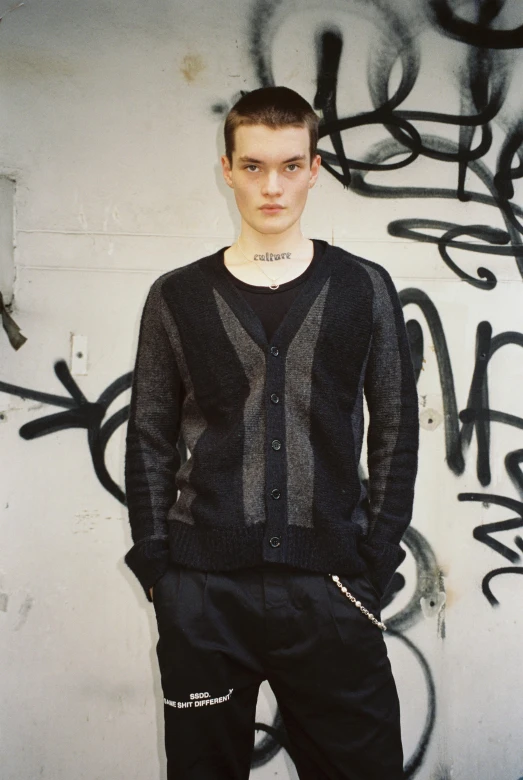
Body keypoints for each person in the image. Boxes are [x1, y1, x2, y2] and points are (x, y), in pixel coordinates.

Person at [124, 85, 419, 780]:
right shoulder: (178, 295)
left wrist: (371, 556)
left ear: (315, 169)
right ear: (226, 169)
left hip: (331, 588)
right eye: (253, 166)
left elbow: (396, 427)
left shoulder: (362, 286)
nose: (272, 186)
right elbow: (148, 432)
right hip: (203, 592)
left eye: (290, 166)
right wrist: (159, 567)